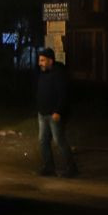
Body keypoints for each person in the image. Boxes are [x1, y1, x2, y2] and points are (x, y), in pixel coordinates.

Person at [36, 47, 78, 177]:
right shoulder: (43, 73)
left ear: (50, 60)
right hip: (43, 113)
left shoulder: (59, 74)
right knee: (43, 140)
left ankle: (71, 168)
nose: (40, 63)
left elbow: (63, 94)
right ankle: (48, 167)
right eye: (39, 60)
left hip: (54, 114)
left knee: (59, 141)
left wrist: (58, 111)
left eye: (42, 60)